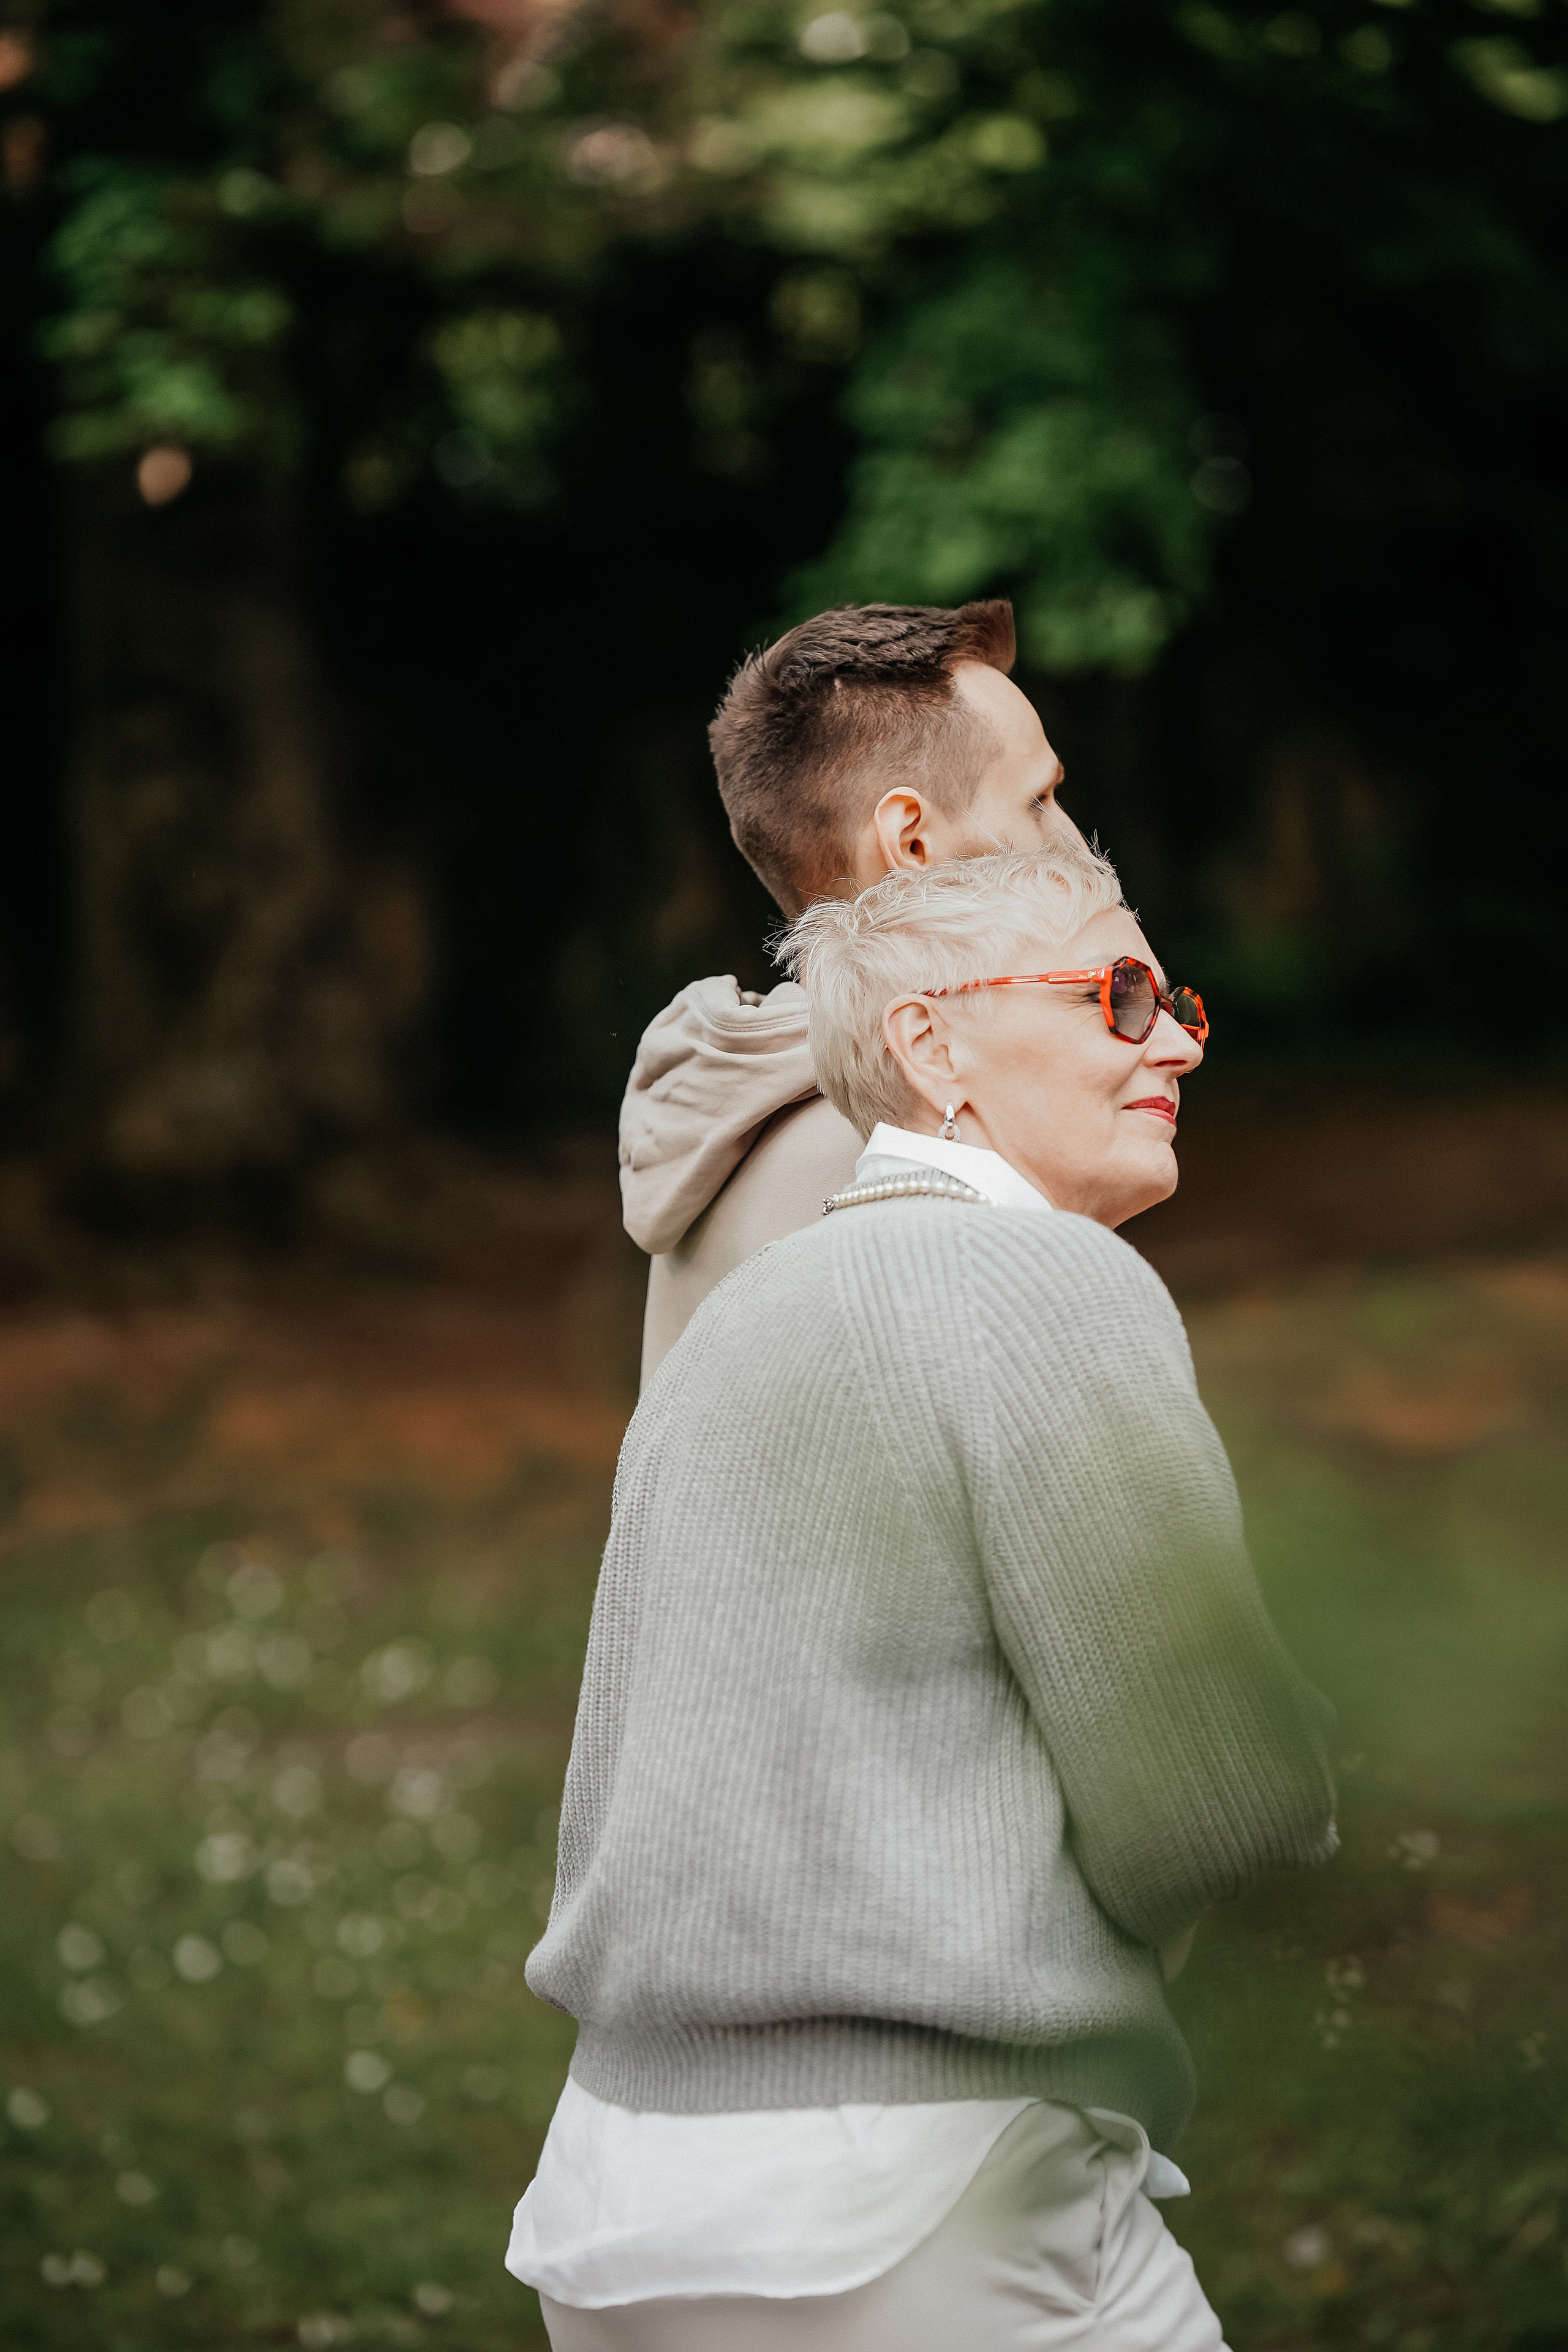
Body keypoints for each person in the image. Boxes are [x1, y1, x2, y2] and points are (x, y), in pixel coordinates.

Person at [510, 843, 1338, 2350]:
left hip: (614, 2213)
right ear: (928, 1041)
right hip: (918, 2209)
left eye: (1175, 998)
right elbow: (1217, 1801)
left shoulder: (740, 1318)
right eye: (1120, 993)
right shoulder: (1044, 1281)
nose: (1176, 1037)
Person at [621, 598, 1082, 1389]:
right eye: (1038, 801)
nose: (1072, 842)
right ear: (911, 842)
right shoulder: (915, 1141)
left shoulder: (725, 1110)